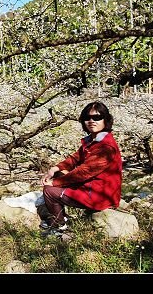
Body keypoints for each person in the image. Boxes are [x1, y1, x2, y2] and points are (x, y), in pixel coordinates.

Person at [40, 101, 122, 235]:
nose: (91, 121)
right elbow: (74, 159)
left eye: (97, 118)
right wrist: (55, 168)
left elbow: (84, 172)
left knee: (49, 191)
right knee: (59, 174)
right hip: (92, 187)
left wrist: (54, 183)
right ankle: (62, 217)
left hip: (100, 195)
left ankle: (59, 226)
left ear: (106, 120)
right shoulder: (92, 141)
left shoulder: (106, 147)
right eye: (87, 118)